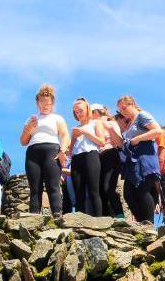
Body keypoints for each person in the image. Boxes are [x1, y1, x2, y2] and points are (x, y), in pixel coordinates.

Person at [20, 84, 70, 217]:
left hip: (51, 150)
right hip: (33, 152)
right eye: (42, 102)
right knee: (34, 187)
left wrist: (63, 151)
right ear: (37, 103)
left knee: (52, 185)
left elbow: (65, 135)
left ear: (52, 103)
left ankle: (57, 214)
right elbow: (23, 141)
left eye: (48, 103)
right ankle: (34, 215)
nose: (45, 106)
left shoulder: (57, 118)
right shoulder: (31, 119)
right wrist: (28, 128)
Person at [116, 95, 162, 226]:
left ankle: (148, 223)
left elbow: (157, 131)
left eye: (124, 108)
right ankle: (142, 221)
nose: (123, 112)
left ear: (132, 104)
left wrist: (138, 139)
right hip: (133, 161)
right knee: (128, 193)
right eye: (120, 110)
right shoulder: (130, 123)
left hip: (145, 157)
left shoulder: (142, 115)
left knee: (143, 189)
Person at [70, 98, 105, 215]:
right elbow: (71, 149)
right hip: (76, 158)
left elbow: (101, 142)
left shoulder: (96, 123)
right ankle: (80, 223)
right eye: (76, 112)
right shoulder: (76, 127)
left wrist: (85, 132)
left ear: (88, 109)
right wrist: (72, 140)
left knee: (93, 190)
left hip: (91, 155)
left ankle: (99, 222)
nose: (78, 114)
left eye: (80, 110)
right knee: (78, 192)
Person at [91, 103, 125, 218]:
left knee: (108, 188)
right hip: (96, 157)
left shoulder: (111, 123)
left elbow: (119, 143)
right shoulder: (92, 125)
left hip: (110, 154)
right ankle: (104, 219)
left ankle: (120, 217)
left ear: (95, 112)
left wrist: (107, 128)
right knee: (99, 190)